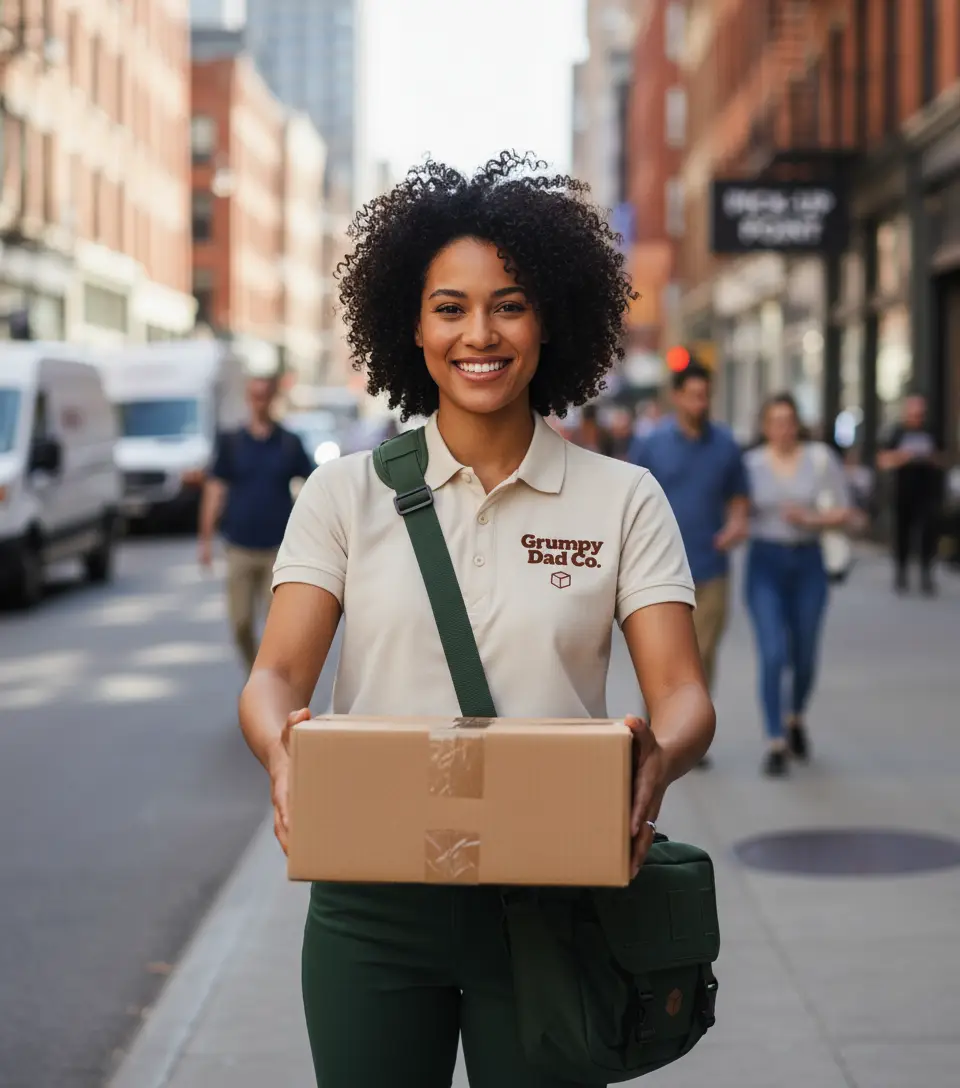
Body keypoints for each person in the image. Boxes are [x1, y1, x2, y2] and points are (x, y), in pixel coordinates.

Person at [239, 153, 716, 1088]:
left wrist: (661, 756)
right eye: (449, 307)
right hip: (370, 903)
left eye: (509, 303)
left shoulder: (623, 498)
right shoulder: (345, 494)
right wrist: (279, 749)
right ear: (411, 328)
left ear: (551, 321)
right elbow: (275, 677)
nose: (479, 334)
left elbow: (683, 691)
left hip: (551, 899)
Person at [628, 362, 749, 769]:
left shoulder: (726, 445)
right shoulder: (653, 444)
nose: (700, 402)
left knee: (703, 653)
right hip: (657, 571)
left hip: (710, 565)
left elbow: (738, 499)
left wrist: (734, 527)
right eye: (693, 394)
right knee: (659, 656)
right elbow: (630, 498)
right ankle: (654, 731)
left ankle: (689, 735)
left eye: (705, 395)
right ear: (677, 396)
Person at [743, 393, 853, 777]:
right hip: (765, 563)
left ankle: (795, 716)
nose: (783, 428)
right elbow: (736, 509)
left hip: (808, 563)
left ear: (797, 424)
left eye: (789, 420)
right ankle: (775, 740)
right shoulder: (751, 464)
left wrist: (811, 519)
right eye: (775, 421)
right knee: (773, 653)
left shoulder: (820, 459)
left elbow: (847, 512)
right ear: (764, 426)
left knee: (804, 656)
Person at [199, 375, 314, 672]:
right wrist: (205, 541)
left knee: (277, 625)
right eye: (254, 395)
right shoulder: (232, 443)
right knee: (240, 623)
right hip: (239, 545)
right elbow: (214, 490)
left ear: (272, 399)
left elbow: (314, 486)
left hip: (279, 549)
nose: (259, 401)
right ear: (248, 399)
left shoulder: (289, 443)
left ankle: (270, 680)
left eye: (265, 395)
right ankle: (257, 675)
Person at [876, 394, 945, 595]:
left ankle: (926, 574)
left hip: (928, 492)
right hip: (903, 491)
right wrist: (903, 456)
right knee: (903, 534)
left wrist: (930, 457)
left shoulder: (932, 431)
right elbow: (883, 460)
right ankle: (901, 573)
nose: (917, 418)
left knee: (928, 534)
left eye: (920, 414)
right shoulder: (896, 432)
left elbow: (944, 458)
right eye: (913, 414)